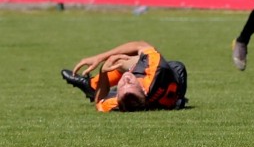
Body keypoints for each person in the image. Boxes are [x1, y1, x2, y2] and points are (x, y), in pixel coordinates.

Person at [60, 41, 188, 112]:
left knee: (116, 62)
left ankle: (92, 85)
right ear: (143, 90)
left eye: (122, 86)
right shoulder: (156, 69)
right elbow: (141, 45)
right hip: (176, 73)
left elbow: (99, 102)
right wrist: (101, 59)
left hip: (163, 93)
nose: (126, 79)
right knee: (121, 61)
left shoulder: (121, 102)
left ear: (118, 98)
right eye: (130, 83)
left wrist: (103, 71)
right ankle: (92, 85)